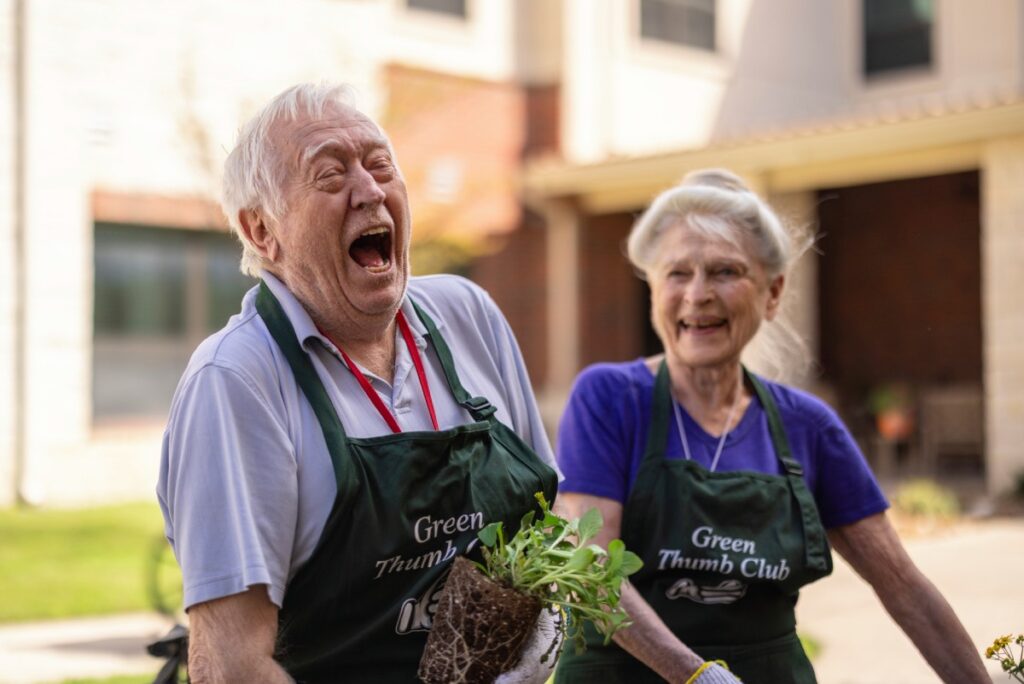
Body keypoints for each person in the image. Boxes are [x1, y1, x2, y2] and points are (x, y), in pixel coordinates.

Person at [157, 82, 560, 683]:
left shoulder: (469, 317)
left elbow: (546, 534)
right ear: (262, 231)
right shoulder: (239, 382)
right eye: (330, 175)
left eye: (380, 166)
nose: (370, 190)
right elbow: (232, 665)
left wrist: (539, 633)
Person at [552, 169, 988, 684]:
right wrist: (696, 676)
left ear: (773, 292)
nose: (697, 295)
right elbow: (593, 570)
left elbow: (903, 586)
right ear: (652, 290)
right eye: (677, 273)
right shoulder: (609, 398)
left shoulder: (809, 426)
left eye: (724, 271)